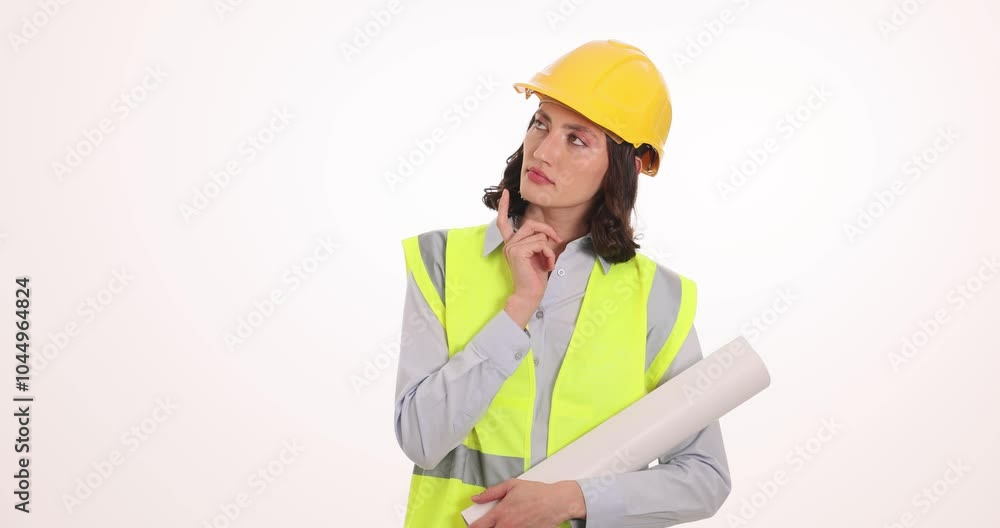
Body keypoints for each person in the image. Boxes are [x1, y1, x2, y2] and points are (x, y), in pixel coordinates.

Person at [394, 40, 731, 527]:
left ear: (626, 166)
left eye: (577, 139)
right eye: (541, 124)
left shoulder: (658, 297)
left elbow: (704, 477)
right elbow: (420, 439)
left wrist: (574, 499)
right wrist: (519, 307)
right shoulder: (440, 261)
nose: (544, 151)